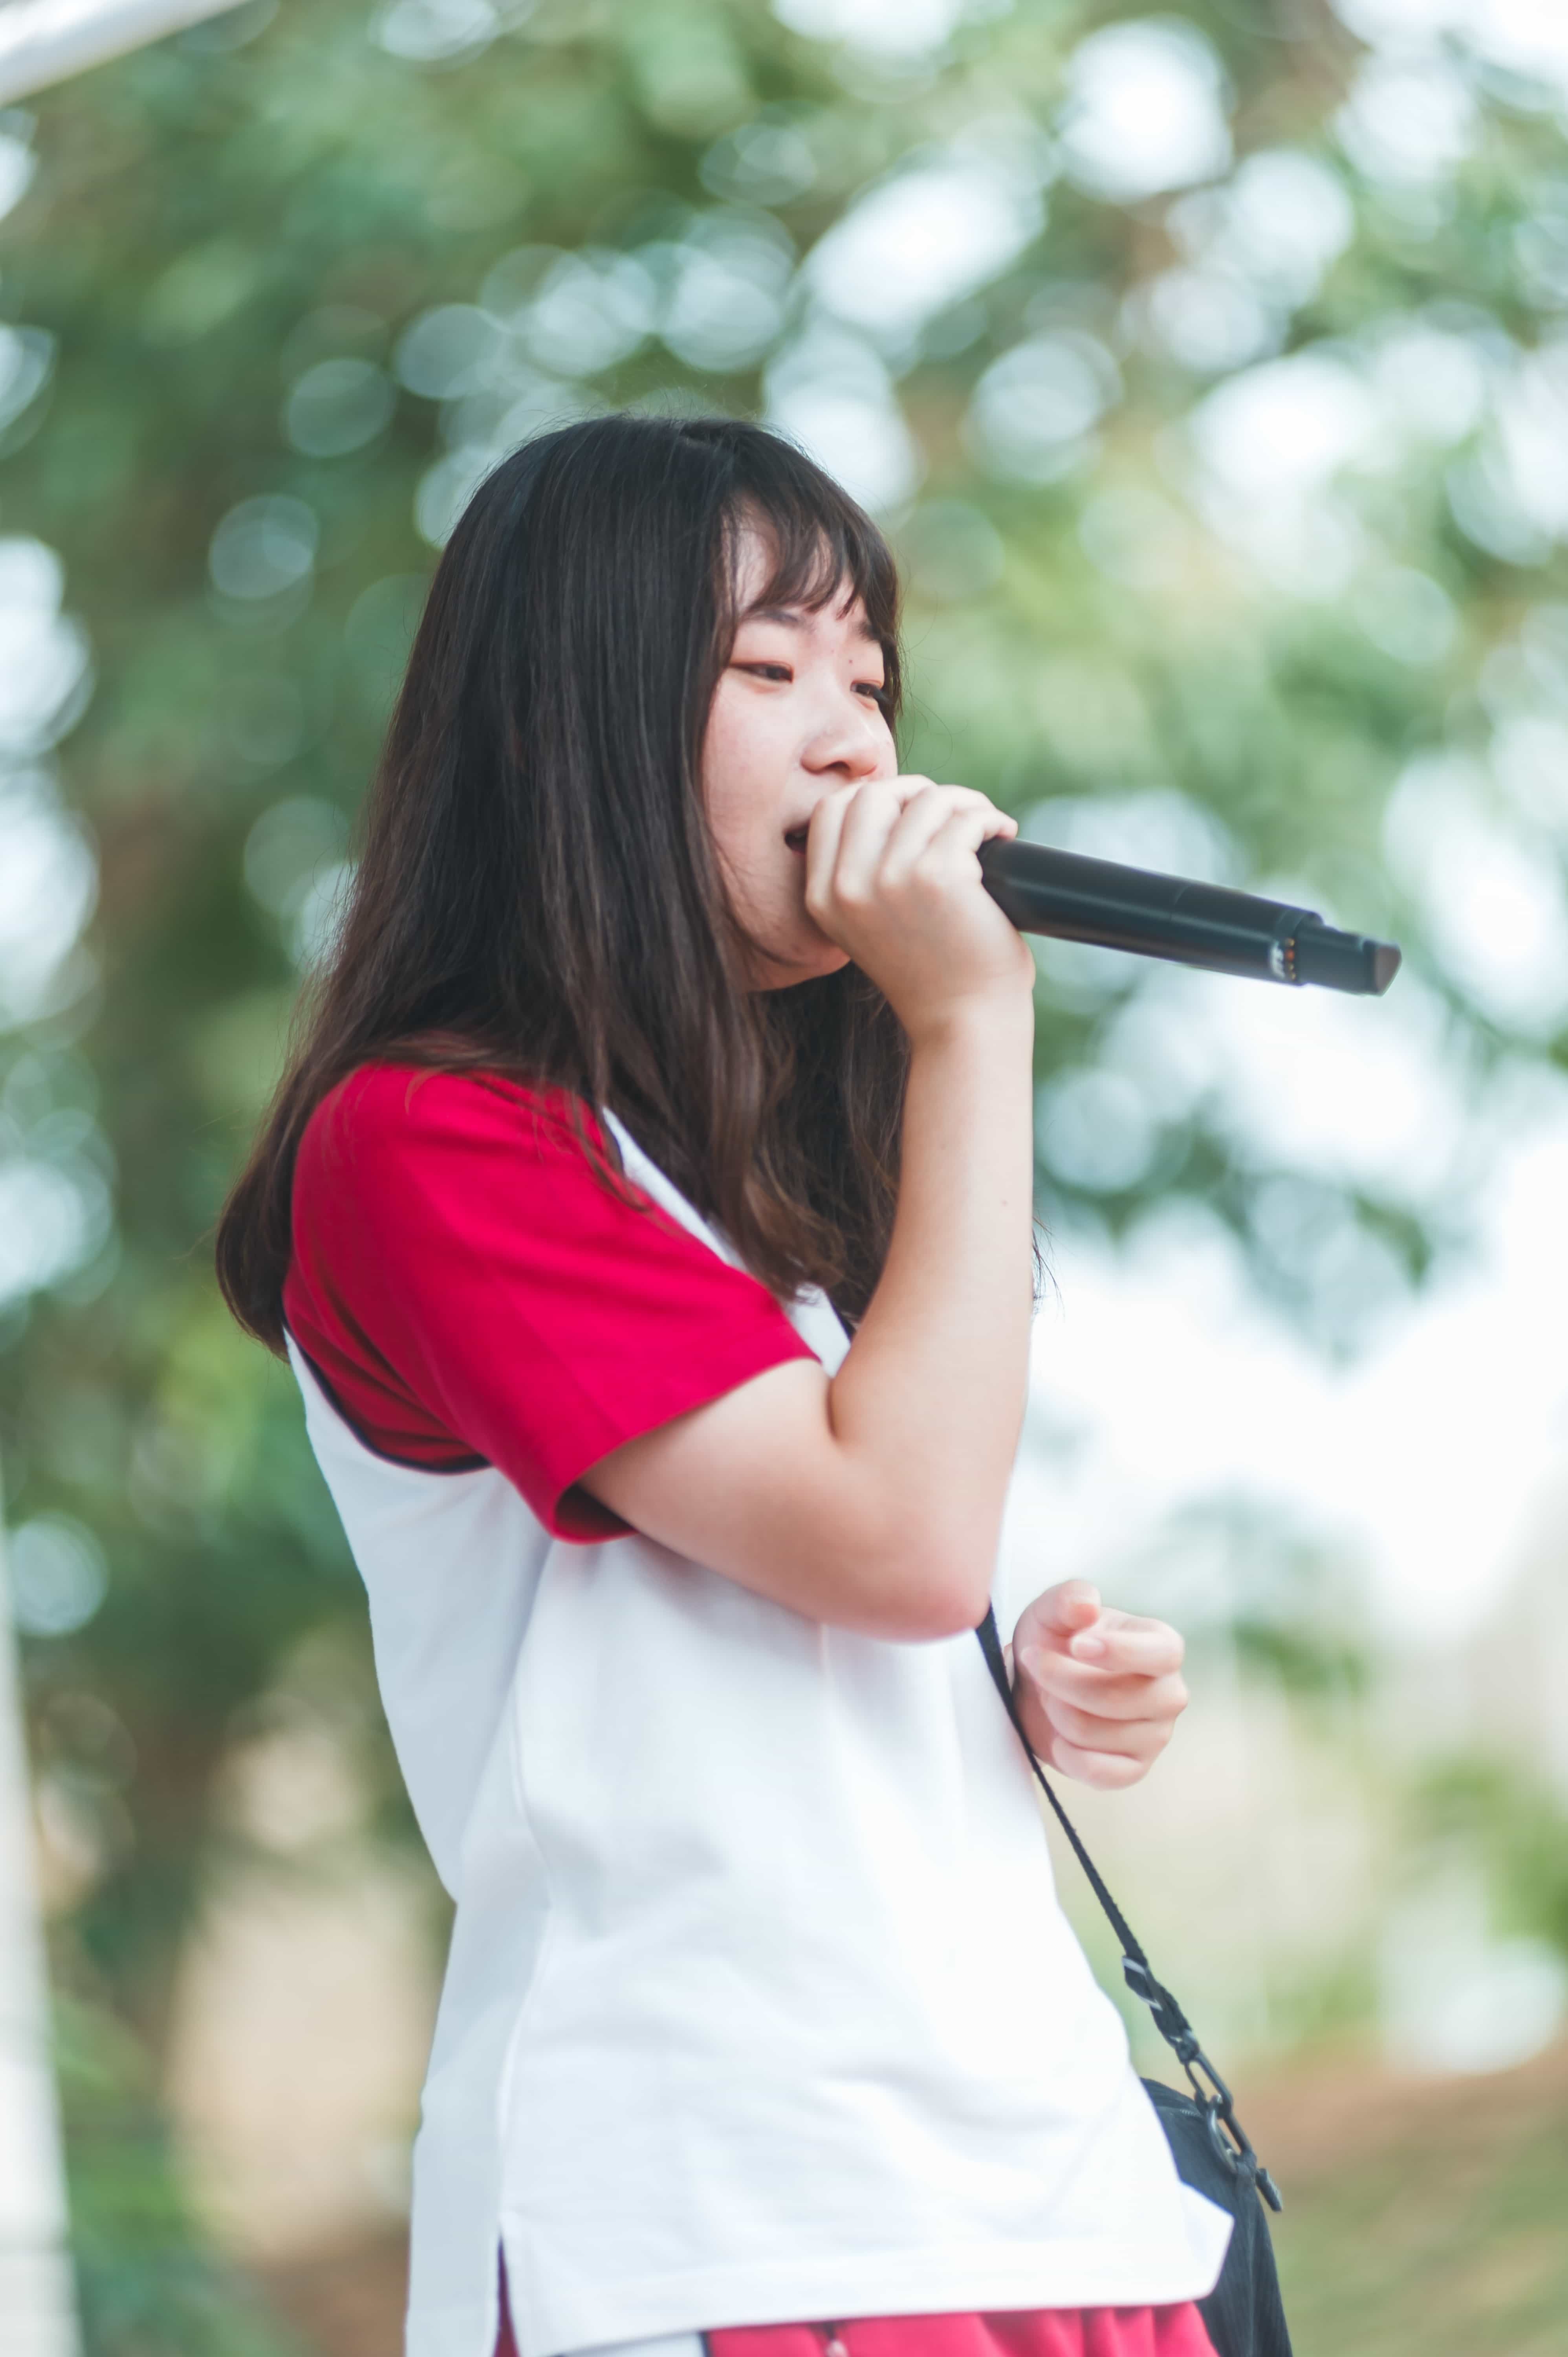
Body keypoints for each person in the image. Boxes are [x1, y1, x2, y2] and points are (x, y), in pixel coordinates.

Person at [215, 417, 1230, 2357]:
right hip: (727, 2229)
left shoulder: (764, 1190)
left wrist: (1010, 1681)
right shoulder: (427, 1141)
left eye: (871, 680)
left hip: (1044, 2191)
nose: (854, 744)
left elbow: (869, 1585)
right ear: (560, 732)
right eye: (769, 671)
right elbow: (895, 1539)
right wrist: (973, 1016)